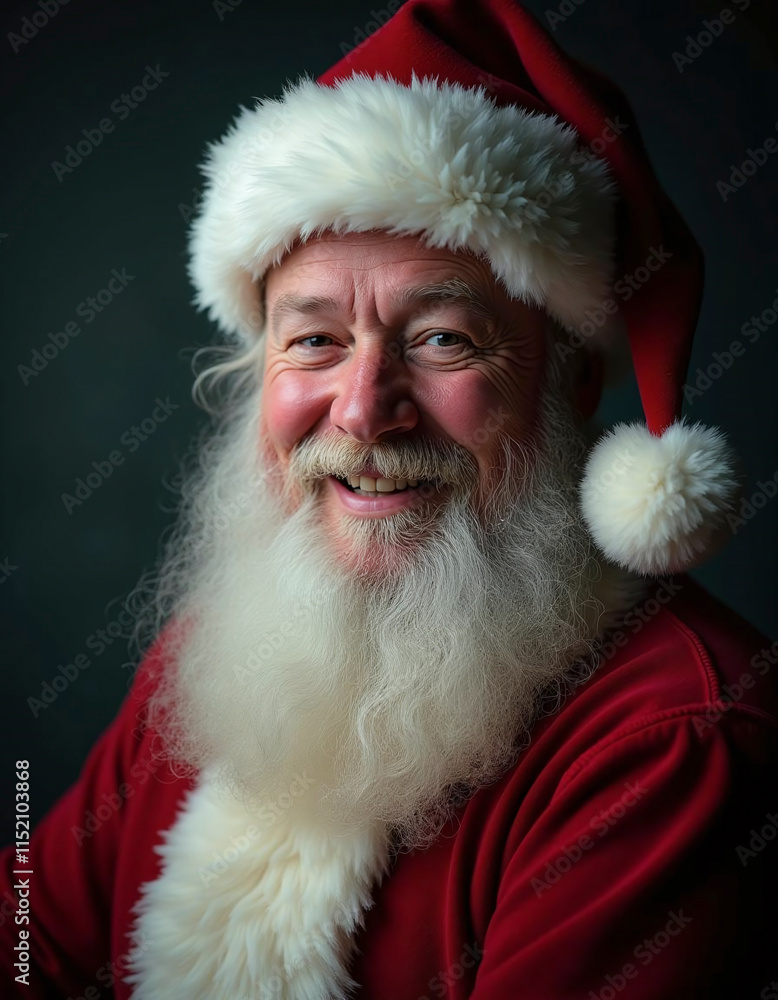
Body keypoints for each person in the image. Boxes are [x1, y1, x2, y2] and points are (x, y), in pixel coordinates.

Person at [2, 1, 776, 997]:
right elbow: (32, 939)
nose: (364, 411)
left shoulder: (672, 744)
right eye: (315, 341)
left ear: (571, 381)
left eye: (442, 339)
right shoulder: (216, 656)